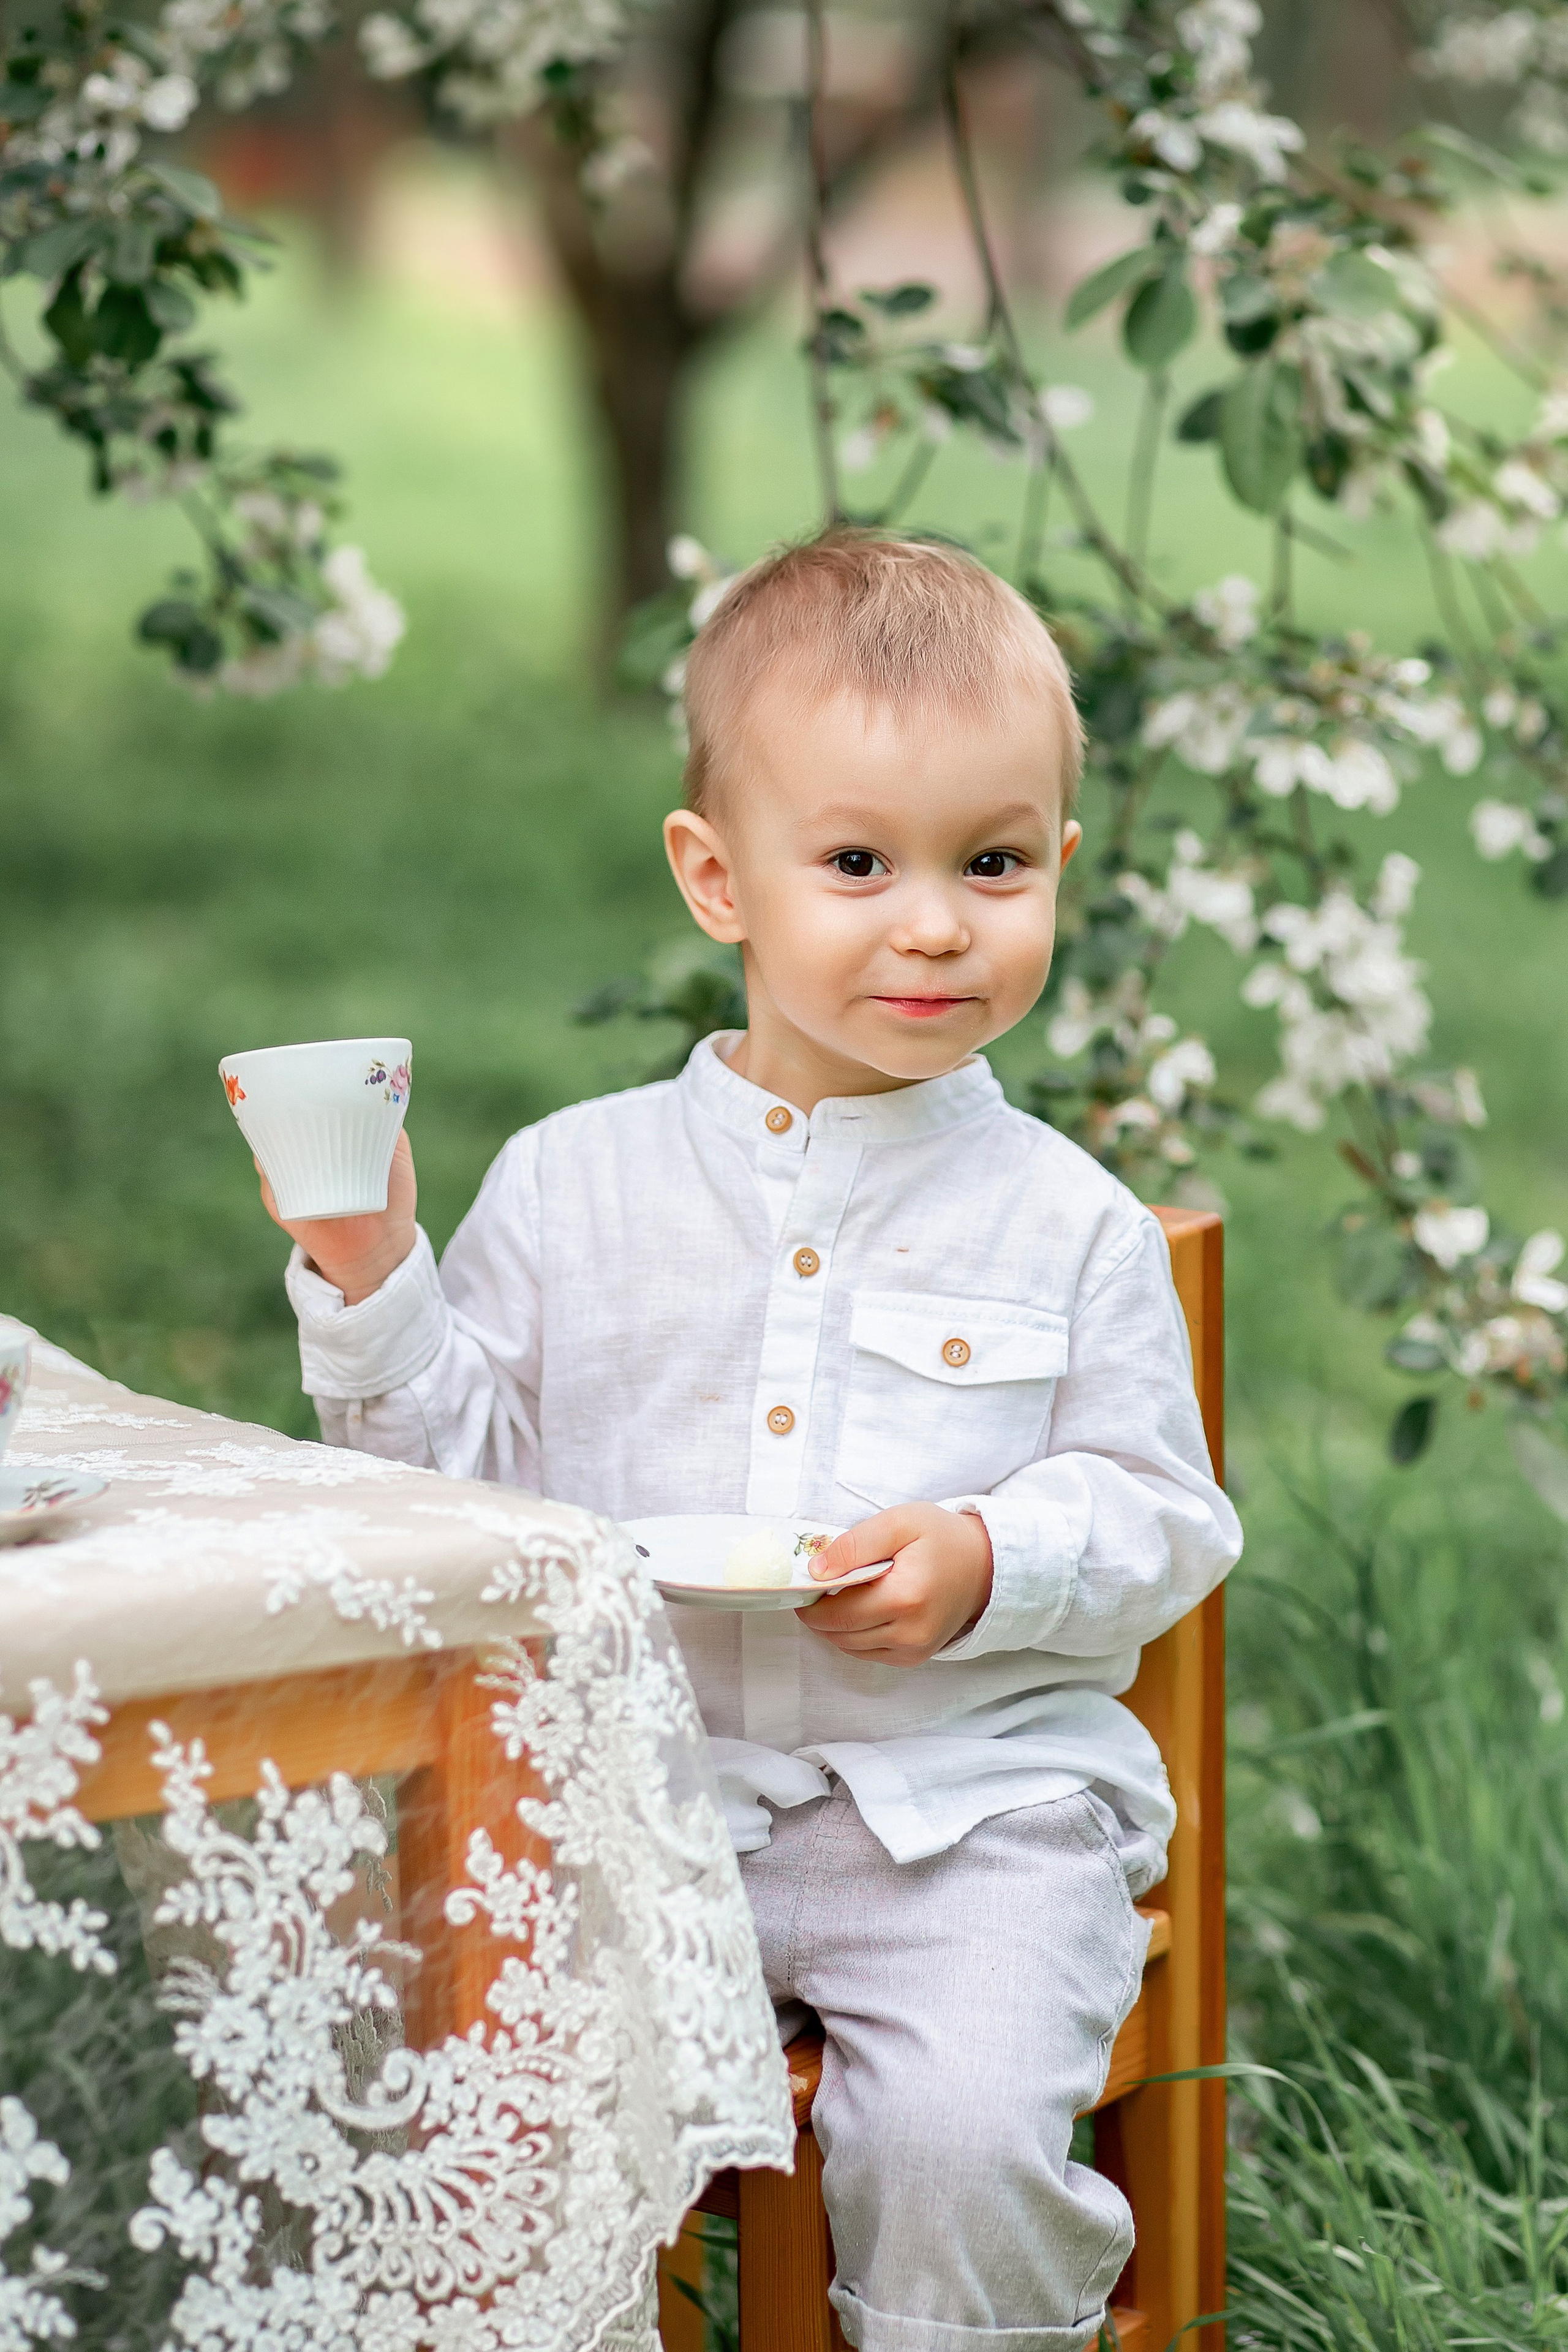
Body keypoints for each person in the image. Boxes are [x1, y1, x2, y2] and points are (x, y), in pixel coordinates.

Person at [270, 531, 1242, 2352]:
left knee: (958, 2138)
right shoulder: (577, 1186)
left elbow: (1164, 1518)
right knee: (464, 2104)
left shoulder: (1071, 1225)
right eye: (861, 862)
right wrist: (371, 1272)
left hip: (967, 1820)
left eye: (996, 863)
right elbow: (449, 1489)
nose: (937, 919)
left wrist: (987, 1558)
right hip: (641, 1811)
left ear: (1062, 873)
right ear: (719, 880)